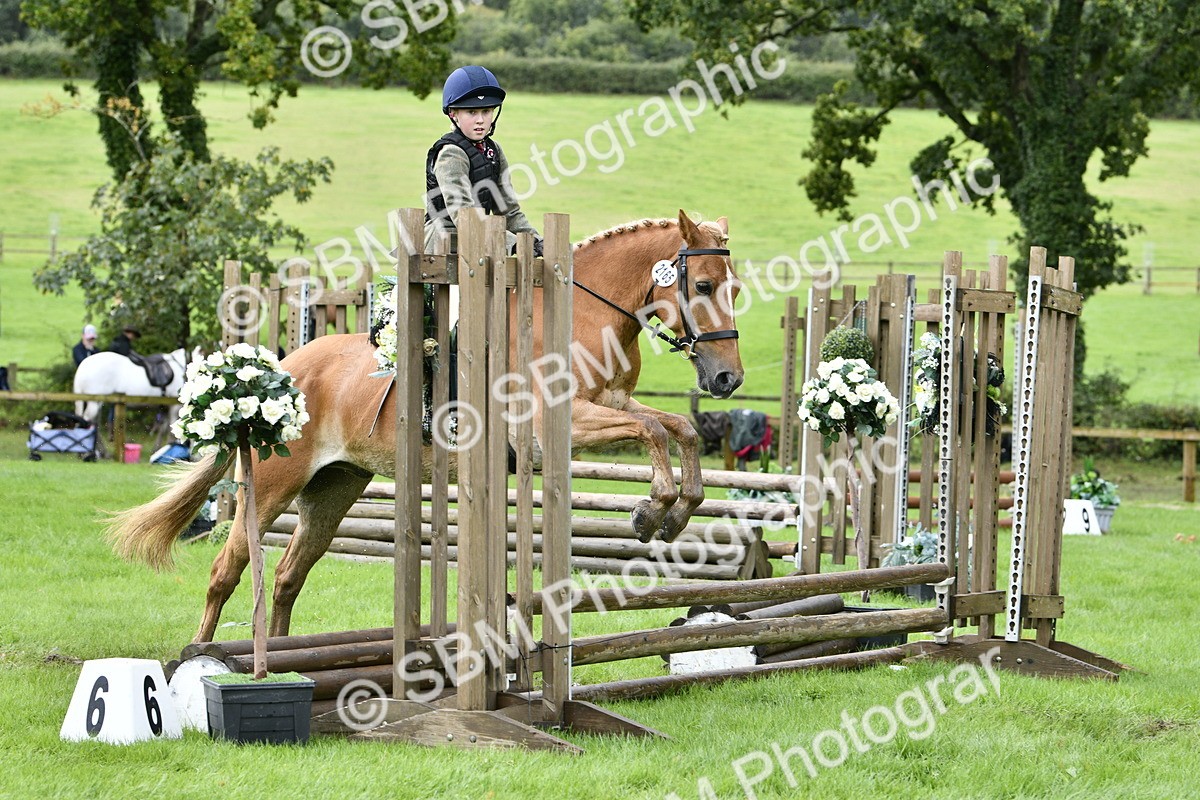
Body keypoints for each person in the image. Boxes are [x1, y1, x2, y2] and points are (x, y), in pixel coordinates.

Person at [424, 65, 542, 256]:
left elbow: (509, 211)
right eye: (472, 112)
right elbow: (464, 215)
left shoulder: (493, 150)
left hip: (482, 242)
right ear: (453, 114)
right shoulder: (450, 154)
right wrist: (512, 243)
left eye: (486, 111)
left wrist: (536, 241)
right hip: (443, 248)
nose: (480, 120)